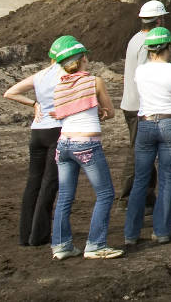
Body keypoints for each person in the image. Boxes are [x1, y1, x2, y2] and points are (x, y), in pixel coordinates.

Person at [48, 38, 122, 259]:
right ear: (81, 60)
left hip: (64, 144)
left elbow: (66, 112)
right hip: (87, 144)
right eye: (85, 56)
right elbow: (110, 112)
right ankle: (96, 245)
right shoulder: (95, 81)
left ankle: (61, 246)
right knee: (105, 194)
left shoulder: (59, 85)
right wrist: (101, 113)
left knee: (65, 197)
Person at [2, 35, 73, 247]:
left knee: (33, 182)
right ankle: (39, 236)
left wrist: (34, 103)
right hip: (56, 131)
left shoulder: (40, 75)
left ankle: (25, 235)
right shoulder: (67, 76)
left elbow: (10, 93)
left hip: (37, 133)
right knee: (49, 183)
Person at [123, 26, 171, 245]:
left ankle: (131, 234)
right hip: (170, 122)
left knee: (141, 179)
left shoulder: (140, 71)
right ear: (168, 46)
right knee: (167, 177)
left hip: (145, 124)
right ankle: (161, 231)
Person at [119, 0, 168, 211]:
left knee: (143, 150)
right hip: (140, 105)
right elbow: (144, 75)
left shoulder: (135, 38)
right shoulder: (148, 42)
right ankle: (126, 198)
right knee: (138, 152)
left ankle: (147, 197)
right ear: (158, 20)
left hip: (132, 103)